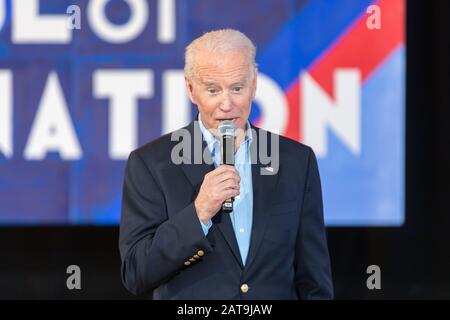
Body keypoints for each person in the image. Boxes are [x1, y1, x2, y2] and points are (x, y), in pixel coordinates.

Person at [119, 29, 333, 299]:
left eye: (237, 88)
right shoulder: (152, 164)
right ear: (190, 89)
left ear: (254, 84)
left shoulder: (295, 161)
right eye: (213, 90)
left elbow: (314, 278)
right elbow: (137, 272)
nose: (227, 104)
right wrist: (198, 213)